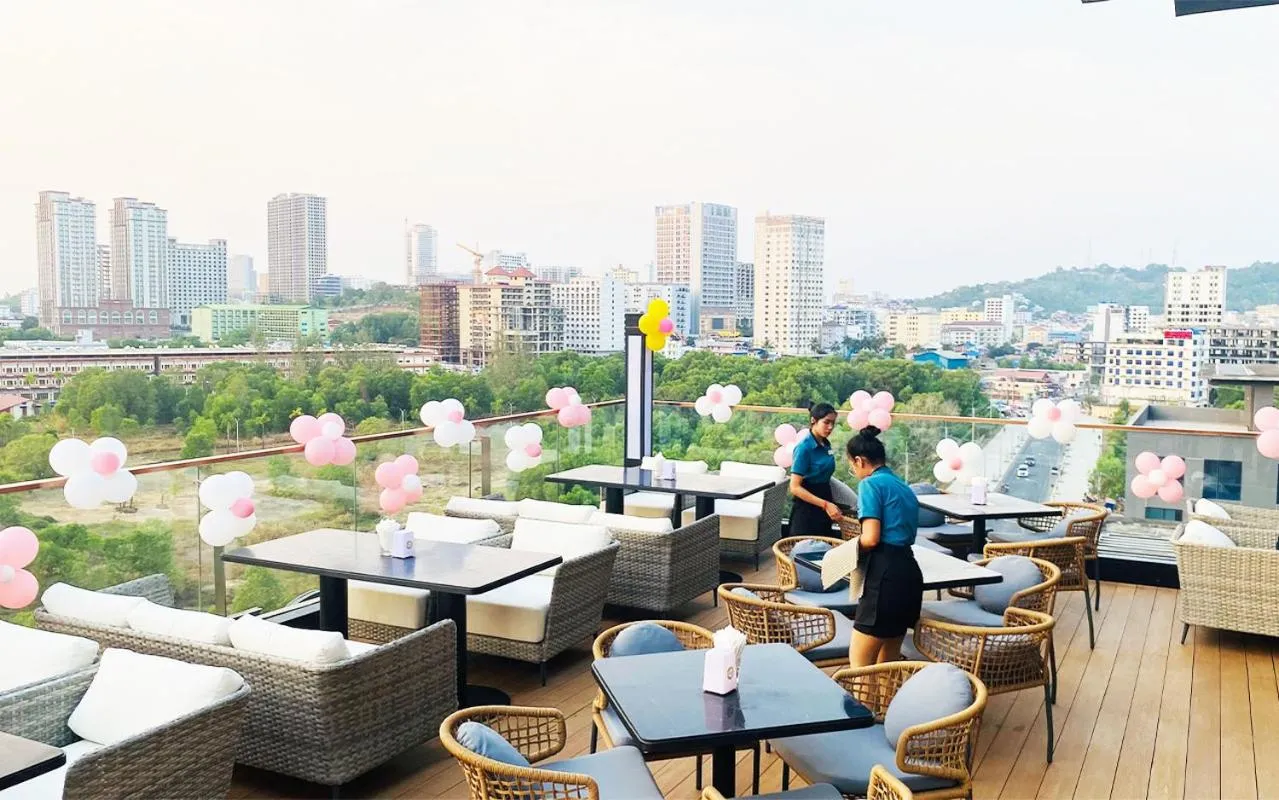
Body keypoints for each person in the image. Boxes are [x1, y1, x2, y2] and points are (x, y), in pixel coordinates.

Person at [846, 425, 924, 666]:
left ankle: (865, 706)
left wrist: (847, 550)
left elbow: (870, 538)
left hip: (884, 576)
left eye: (851, 464)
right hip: (909, 573)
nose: (852, 469)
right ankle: (887, 705)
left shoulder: (870, 485)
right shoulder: (903, 487)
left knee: (859, 666)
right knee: (887, 665)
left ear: (859, 461)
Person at [787, 402, 842, 537]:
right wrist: (825, 504)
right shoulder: (804, 448)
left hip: (824, 497)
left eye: (833, 423)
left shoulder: (825, 443)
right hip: (808, 505)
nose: (830, 427)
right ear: (813, 421)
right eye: (826, 422)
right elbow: (794, 487)